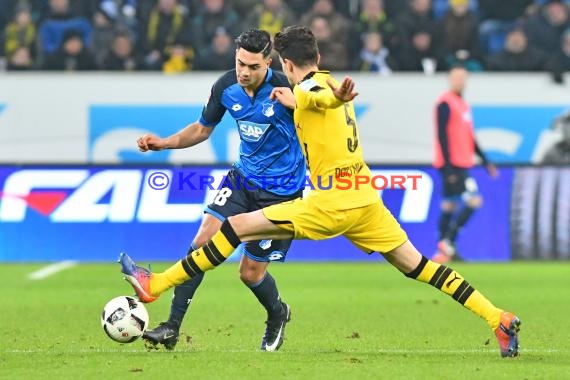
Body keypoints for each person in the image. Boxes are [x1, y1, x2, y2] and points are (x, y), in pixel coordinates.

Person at [120, 25, 521, 358]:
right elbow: (325, 95)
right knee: (419, 267)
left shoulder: (311, 91)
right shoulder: (322, 80)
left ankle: (155, 286)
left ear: (285, 64)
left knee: (237, 227)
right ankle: (497, 318)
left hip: (331, 202)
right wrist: (333, 95)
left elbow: (319, 98)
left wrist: (329, 97)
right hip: (365, 196)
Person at [135, 29, 306, 351]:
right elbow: (202, 129)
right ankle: (172, 326)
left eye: (253, 66)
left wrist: (302, 106)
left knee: (250, 273)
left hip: (282, 193)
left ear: (268, 63)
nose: (244, 72)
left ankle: (277, 313)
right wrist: (165, 142)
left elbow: (321, 123)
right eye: (240, 63)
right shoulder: (227, 86)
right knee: (202, 241)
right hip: (242, 180)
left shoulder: (287, 88)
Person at [432, 64, 498, 264]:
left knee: (449, 205)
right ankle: (448, 242)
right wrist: (448, 166)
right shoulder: (445, 103)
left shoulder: (463, 105)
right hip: (453, 164)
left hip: (463, 162)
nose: (459, 81)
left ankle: (445, 250)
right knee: (474, 201)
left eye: (463, 78)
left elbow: (470, 138)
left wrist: (486, 161)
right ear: (450, 80)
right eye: (456, 78)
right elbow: (441, 135)